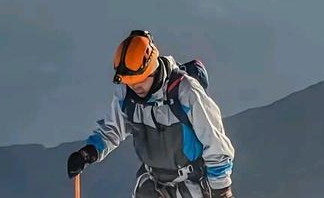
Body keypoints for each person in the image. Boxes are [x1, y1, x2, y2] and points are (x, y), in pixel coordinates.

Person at [67, 30, 235, 198]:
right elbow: (113, 130)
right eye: (130, 83)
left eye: (139, 81)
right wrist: (88, 153)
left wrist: (221, 190)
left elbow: (216, 145)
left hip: (192, 187)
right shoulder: (126, 94)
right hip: (152, 186)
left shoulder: (186, 92)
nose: (135, 87)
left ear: (153, 69)